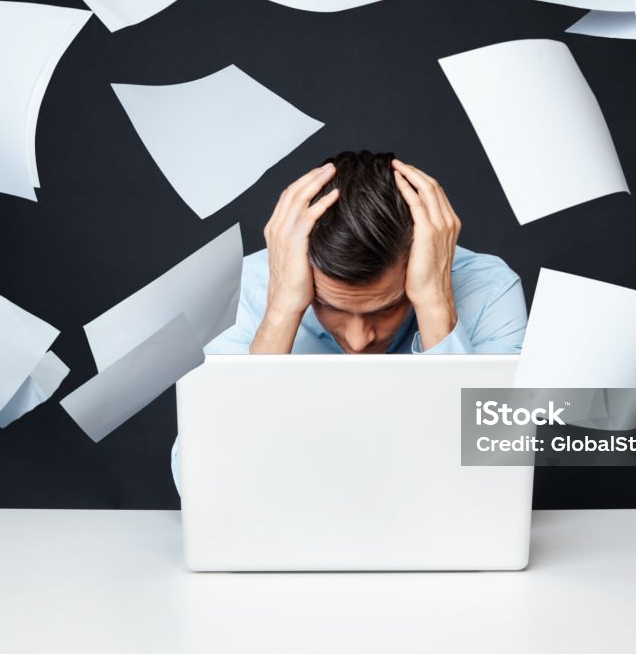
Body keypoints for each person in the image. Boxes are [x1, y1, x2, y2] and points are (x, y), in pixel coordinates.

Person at [171, 151, 528, 490]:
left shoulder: (489, 289)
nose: (359, 341)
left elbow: (497, 472)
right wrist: (281, 312)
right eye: (332, 306)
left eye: (386, 308)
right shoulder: (241, 288)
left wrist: (435, 301)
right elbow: (200, 482)